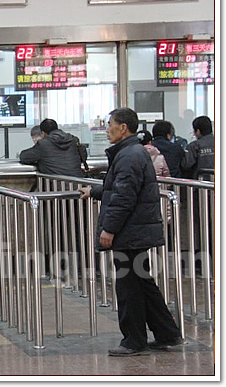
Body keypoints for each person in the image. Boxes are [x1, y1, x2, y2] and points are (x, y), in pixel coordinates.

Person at [79, 108, 182, 357]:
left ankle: (134, 340)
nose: (106, 129)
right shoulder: (131, 153)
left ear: (123, 127)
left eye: (110, 124)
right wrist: (93, 192)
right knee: (141, 282)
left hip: (129, 231)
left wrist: (109, 229)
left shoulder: (129, 155)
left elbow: (124, 197)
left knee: (129, 287)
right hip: (135, 229)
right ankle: (167, 332)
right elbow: (118, 187)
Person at [19, 119, 87, 177]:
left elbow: (24, 157)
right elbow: (83, 154)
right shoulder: (73, 140)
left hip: (56, 188)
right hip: (79, 184)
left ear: (43, 133)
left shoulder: (43, 144)